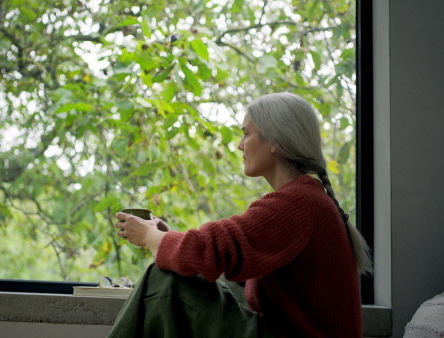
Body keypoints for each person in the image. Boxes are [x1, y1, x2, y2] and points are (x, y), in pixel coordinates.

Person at [109, 92, 372, 338]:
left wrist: (148, 236)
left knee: (164, 278)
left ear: (276, 141)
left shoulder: (298, 203)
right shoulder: (308, 199)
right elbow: (217, 255)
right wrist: (165, 238)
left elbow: (210, 250)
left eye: (246, 134)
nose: (238, 145)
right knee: (194, 276)